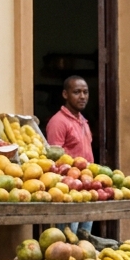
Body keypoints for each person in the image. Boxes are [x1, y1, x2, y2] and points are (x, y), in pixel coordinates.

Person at [45, 75, 95, 239]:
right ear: (65, 94)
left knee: (85, 238)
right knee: (68, 238)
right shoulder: (58, 122)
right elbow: (55, 158)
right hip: (68, 190)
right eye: (77, 92)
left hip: (87, 188)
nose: (82, 96)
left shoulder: (83, 121)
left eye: (85, 92)